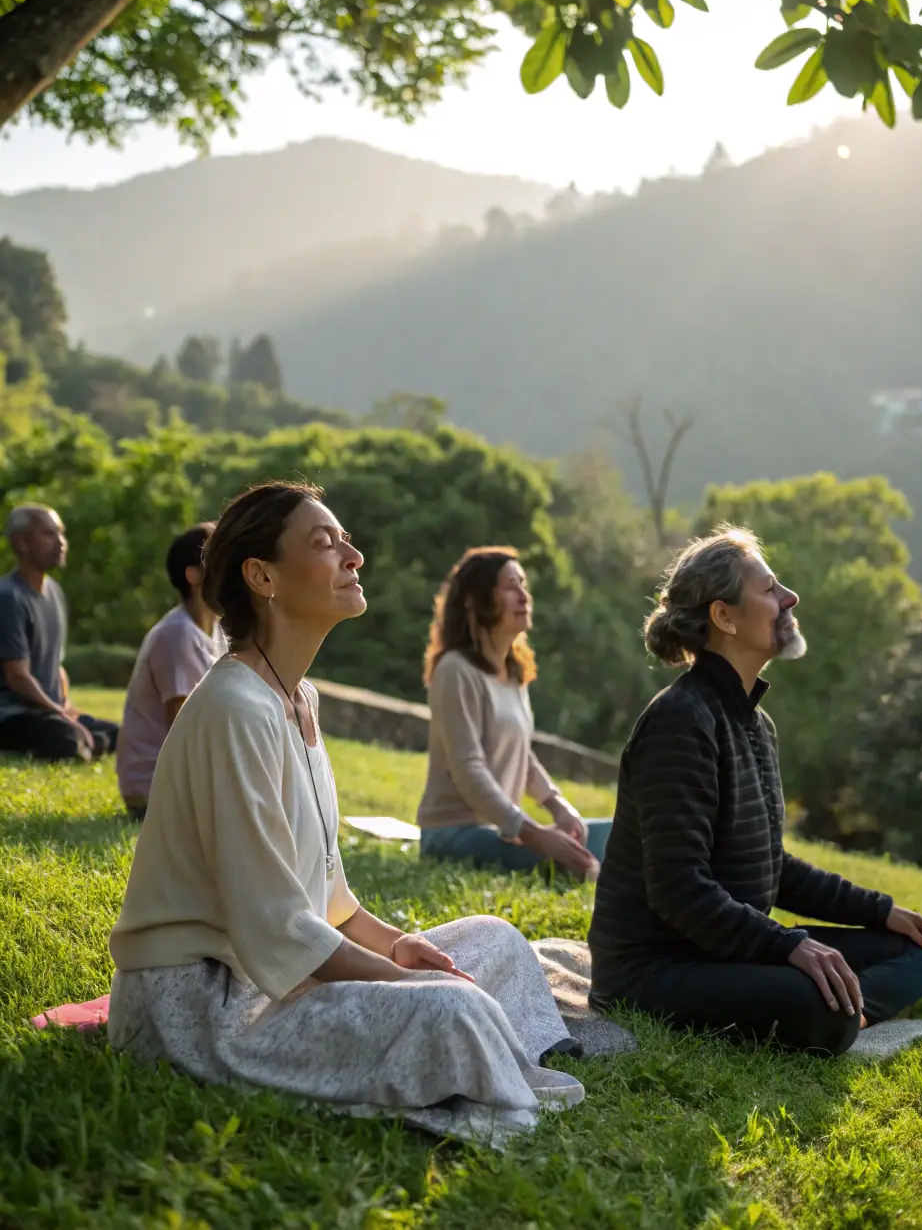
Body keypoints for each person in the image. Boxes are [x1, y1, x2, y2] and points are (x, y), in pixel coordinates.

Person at [107, 482, 583, 1146]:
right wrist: (406, 984)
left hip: (279, 971)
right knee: (448, 1003)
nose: (354, 555)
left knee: (493, 941)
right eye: (326, 543)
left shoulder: (299, 698)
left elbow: (327, 897)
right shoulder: (231, 709)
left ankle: (498, 1044)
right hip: (208, 1006)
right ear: (262, 575)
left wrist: (398, 945)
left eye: (346, 540)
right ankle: (486, 1048)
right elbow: (275, 924)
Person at [588, 526, 922, 1057]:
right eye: (771, 590)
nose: (790, 598)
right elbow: (677, 887)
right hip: (657, 970)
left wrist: (880, 911)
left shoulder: (757, 724)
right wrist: (788, 945)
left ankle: (847, 1011)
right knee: (819, 1002)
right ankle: (840, 1012)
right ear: (724, 616)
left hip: (730, 953)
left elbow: (770, 866)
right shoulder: (678, 722)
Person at [417, 546, 607, 877]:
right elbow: (469, 770)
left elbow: (523, 755)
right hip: (455, 836)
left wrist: (557, 806)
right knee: (581, 865)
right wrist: (536, 835)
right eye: (510, 586)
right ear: (475, 600)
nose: (524, 595)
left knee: (630, 835)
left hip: (504, 830)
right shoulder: (454, 670)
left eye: (523, 584)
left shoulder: (514, 673)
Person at [116, 524, 228, 821]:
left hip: (183, 784)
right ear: (194, 576)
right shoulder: (177, 634)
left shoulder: (215, 631)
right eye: (221, 557)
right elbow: (184, 727)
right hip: (153, 791)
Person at [0, 504, 119, 762]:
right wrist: (59, 713)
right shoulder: (9, 598)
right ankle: (84, 743)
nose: (61, 542)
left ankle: (89, 742)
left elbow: (56, 666)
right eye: (48, 534)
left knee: (120, 733)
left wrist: (67, 708)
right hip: (14, 714)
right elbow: (17, 677)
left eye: (61, 533)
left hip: (50, 712)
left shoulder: (55, 592)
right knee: (63, 737)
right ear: (21, 543)